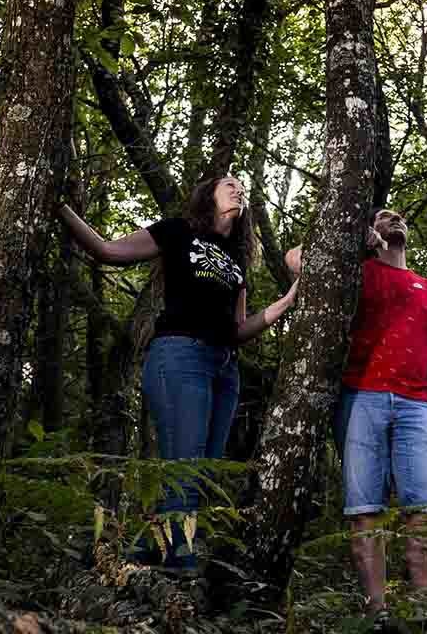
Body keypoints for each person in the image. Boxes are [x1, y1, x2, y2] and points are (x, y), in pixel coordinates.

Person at [60, 176, 297, 570]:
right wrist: (60, 207)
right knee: (185, 467)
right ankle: (180, 563)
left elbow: (238, 330)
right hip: (179, 356)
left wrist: (286, 302)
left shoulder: (236, 260)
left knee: (202, 472)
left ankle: (138, 555)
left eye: (242, 187)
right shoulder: (177, 231)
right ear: (207, 196)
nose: (239, 190)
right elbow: (106, 251)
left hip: (224, 369)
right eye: (228, 184)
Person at [286, 208, 427, 616]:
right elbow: (295, 259)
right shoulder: (355, 272)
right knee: (365, 508)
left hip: (418, 406)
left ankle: (425, 608)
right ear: (372, 231)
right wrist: (352, 246)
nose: (393, 218)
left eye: (398, 216)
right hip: (361, 397)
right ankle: (376, 610)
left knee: (426, 509)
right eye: (382, 216)